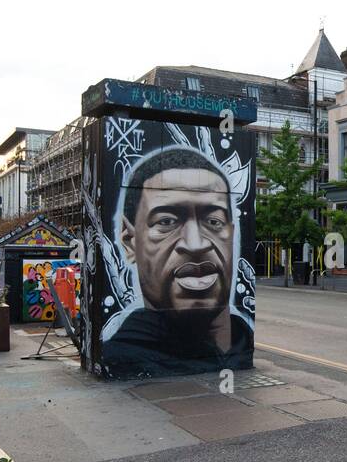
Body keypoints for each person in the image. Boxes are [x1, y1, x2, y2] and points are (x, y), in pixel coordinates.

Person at [102, 146, 251, 377]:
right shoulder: (120, 358)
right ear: (130, 241)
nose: (196, 244)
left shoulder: (244, 340)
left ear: (231, 235)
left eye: (213, 221)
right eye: (167, 221)